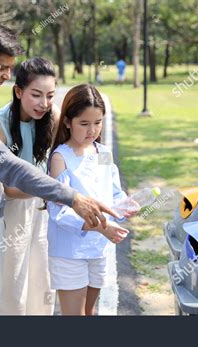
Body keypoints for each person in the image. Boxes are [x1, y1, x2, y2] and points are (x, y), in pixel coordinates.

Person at [0, 21, 118, 315]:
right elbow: (7, 167)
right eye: (1, 67)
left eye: (9, 68)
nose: (5, 75)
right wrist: (71, 196)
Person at [47, 84, 131, 315]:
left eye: (98, 122)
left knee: (90, 312)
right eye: (84, 124)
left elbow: (113, 193)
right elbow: (59, 213)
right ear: (67, 121)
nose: (92, 130)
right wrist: (102, 227)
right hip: (69, 250)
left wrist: (127, 206)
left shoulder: (103, 152)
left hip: (98, 248)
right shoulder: (60, 158)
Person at [0, 57, 59, 315]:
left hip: (43, 208)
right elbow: (8, 188)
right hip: (13, 212)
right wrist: (52, 189)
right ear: (18, 92)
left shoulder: (53, 116)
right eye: (36, 95)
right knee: (13, 283)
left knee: (42, 280)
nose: (44, 103)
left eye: (50, 95)